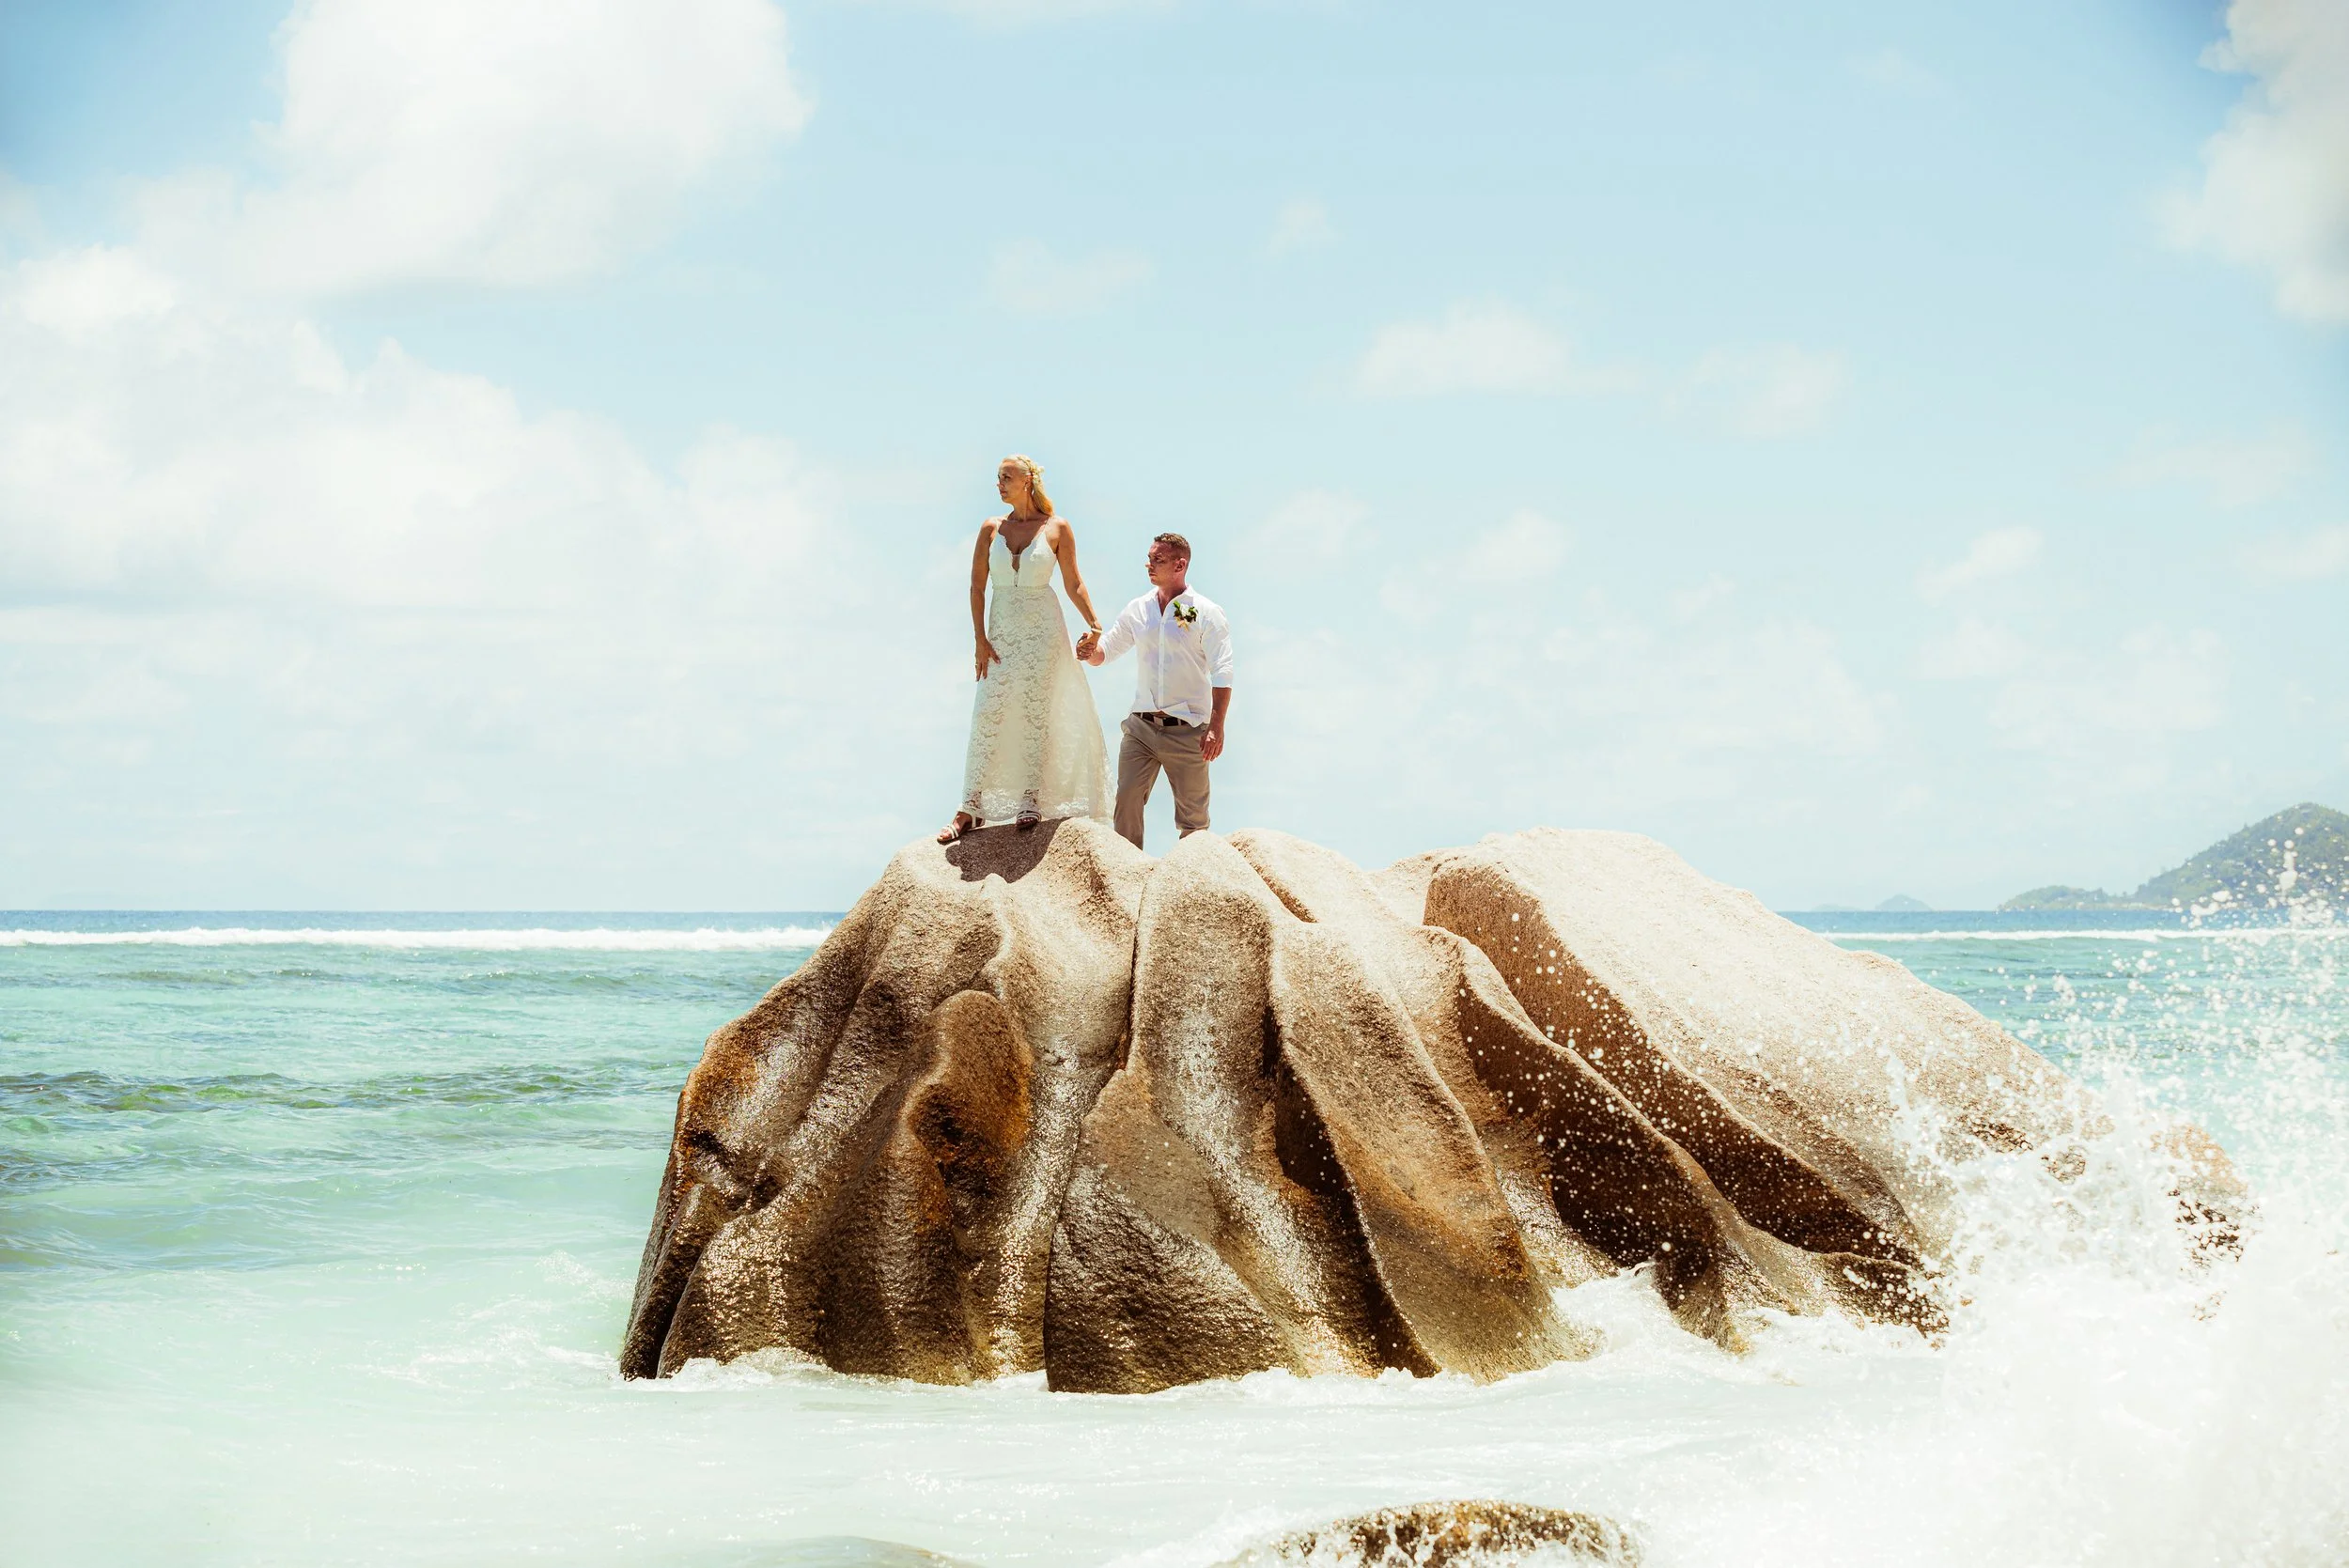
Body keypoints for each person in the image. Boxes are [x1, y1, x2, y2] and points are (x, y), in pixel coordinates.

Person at [938, 456, 1112, 843]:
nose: (999, 484)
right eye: (998, 478)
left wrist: (1095, 624)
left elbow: (1074, 584)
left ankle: (1030, 799)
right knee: (990, 712)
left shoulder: (1057, 528)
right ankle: (970, 808)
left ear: (1028, 481)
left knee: (1037, 713)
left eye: (1006, 477)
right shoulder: (990, 528)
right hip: (1000, 633)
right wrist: (979, 639)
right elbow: (977, 587)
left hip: (1043, 631)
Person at [1078, 532, 1233, 850]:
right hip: (1141, 729)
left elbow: (1222, 669)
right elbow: (1106, 651)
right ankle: (1127, 877)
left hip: (1189, 732)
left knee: (1194, 824)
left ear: (1180, 564)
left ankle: (1191, 886)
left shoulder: (1206, 612)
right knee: (1126, 801)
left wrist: (1217, 726)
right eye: (1149, 558)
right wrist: (1089, 651)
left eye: (1157, 560)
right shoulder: (1139, 608)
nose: (1149, 565)